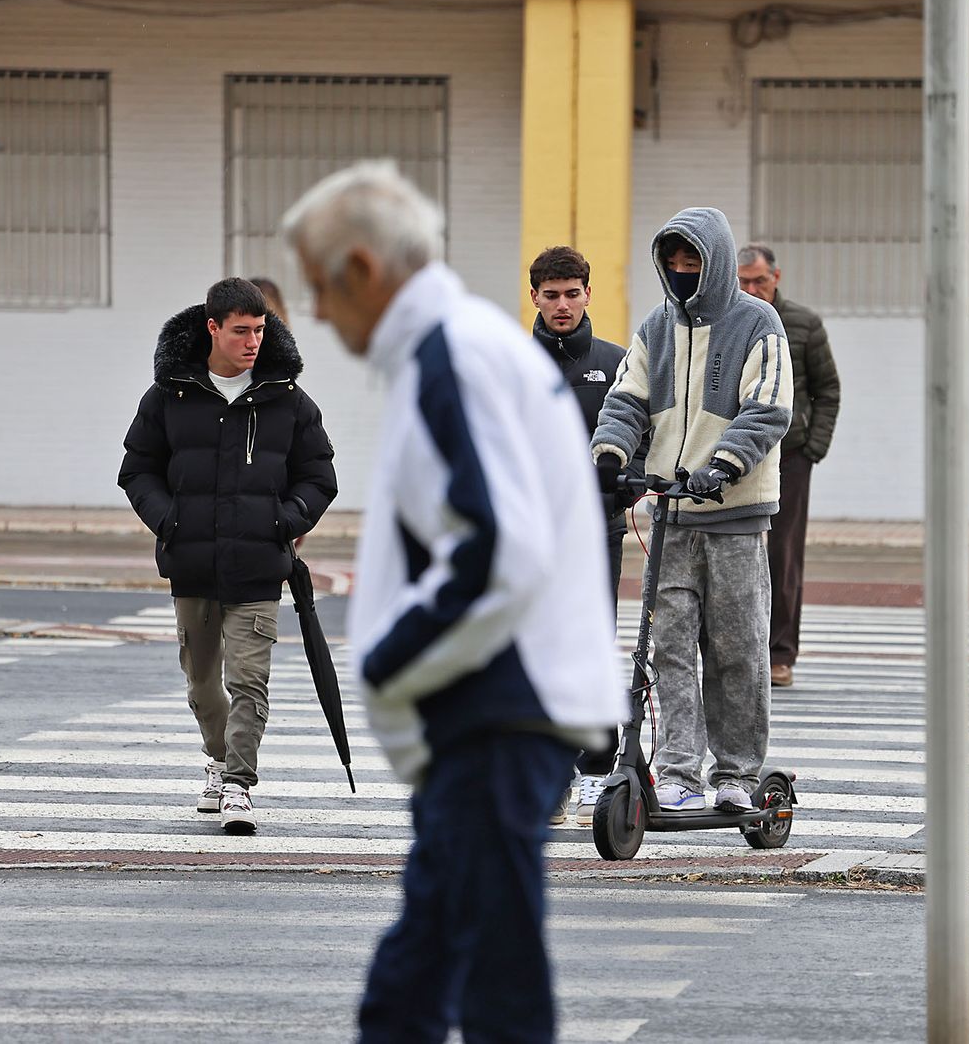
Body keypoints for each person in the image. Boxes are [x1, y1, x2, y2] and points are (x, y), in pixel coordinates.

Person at [281, 161, 625, 1043]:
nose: (315, 312)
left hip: (499, 707)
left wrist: (387, 663)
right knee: (418, 977)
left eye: (318, 287)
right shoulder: (461, 347)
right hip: (499, 704)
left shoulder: (453, 357)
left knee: (487, 979)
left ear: (362, 268)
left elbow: (498, 548)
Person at [118, 277, 338, 835]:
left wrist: (283, 522)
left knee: (250, 680)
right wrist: (169, 519)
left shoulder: (287, 398)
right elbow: (136, 468)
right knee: (202, 682)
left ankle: (239, 784)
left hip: (259, 566)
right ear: (212, 328)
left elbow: (319, 475)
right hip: (191, 563)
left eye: (260, 331)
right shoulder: (170, 394)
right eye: (241, 331)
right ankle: (216, 760)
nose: (252, 342)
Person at [591, 207, 792, 813]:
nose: (681, 273)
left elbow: (769, 408)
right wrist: (608, 451)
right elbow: (627, 396)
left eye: (693, 262)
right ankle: (678, 768)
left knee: (736, 648)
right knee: (669, 647)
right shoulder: (657, 327)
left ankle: (735, 771)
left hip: (734, 516)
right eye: (673, 263)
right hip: (672, 516)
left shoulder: (759, 323)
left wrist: (724, 465)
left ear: (717, 262)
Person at [528, 245, 632, 827]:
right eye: (551, 295)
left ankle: (595, 764)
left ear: (588, 293)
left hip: (597, 532)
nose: (563, 305)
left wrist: (624, 487)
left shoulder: (618, 364)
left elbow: (643, 436)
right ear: (535, 297)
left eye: (572, 293)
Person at [736, 244, 842, 687]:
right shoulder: (729, 319)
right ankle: (740, 653)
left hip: (791, 454)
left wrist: (813, 448)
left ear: (776, 277)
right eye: (743, 281)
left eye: (759, 280)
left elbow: (828, 389)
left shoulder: (803, 323)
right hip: (737, 451)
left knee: (783, 554)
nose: (751, 289)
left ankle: (780, 655)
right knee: (735, 552)